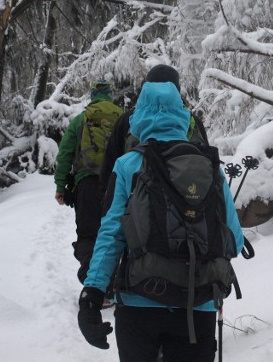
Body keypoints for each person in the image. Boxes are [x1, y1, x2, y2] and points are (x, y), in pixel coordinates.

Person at [77, 80, 244, 362]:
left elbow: (111, 235)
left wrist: (92, 294)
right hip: (198, 304)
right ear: (182, 115)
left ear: (138, 116)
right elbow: (234, 242)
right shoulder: (209, 167)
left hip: (140, 304)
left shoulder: (128, 164)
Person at [99, 64, 209, 206]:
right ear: (177, 90)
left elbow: (110, 164)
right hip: (186, 206)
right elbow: (206, 165)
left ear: (146, 88)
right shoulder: (191, 120)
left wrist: (105, 201)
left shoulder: (129, 120)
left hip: (138, 207)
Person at [54, 80, 123, 285]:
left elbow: (65, 154)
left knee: (88, 234)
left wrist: (60, 186)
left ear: (92, 96)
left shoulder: (80, 120)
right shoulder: (122, 118)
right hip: (117, 184)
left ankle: (94, 286)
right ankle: (114, 282)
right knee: (115, 232)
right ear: (110, 96)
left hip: (87, 185)